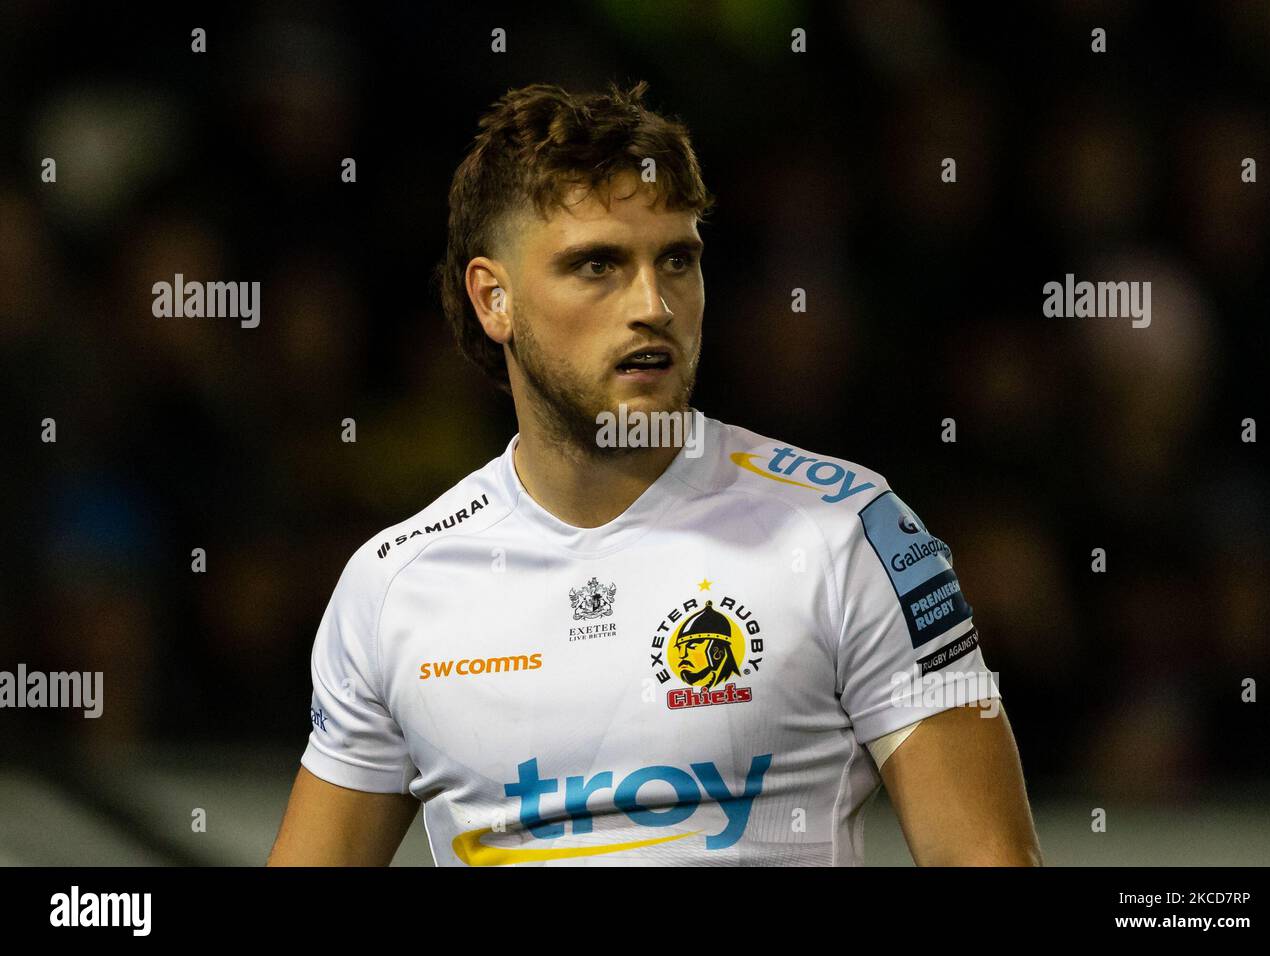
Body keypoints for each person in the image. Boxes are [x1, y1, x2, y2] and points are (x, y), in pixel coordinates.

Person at [268, 80, 1042, 866]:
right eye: (597, 264)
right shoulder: (393, 587)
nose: (654, 305)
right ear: (492, 298)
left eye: (676, 259)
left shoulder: (853, 533)